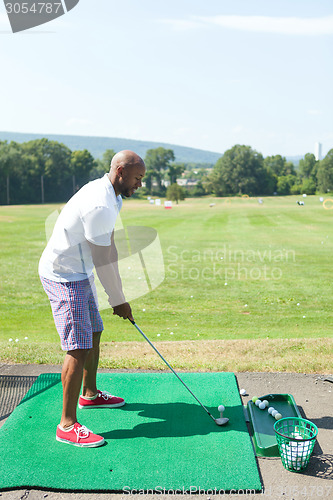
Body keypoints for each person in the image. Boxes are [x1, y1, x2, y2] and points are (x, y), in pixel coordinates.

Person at [39, 150, 146, 447]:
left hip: (79, 270)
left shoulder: (113, 196)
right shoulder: (99, 202)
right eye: (138, 178)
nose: (140, 184)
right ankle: (67, 424)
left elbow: (108, 247)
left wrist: (119, 296)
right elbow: (102, 262)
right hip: (63, 274)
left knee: (94, 329)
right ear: (121, 171)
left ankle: (90, 394)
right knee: (78, 345)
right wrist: (118, 300)